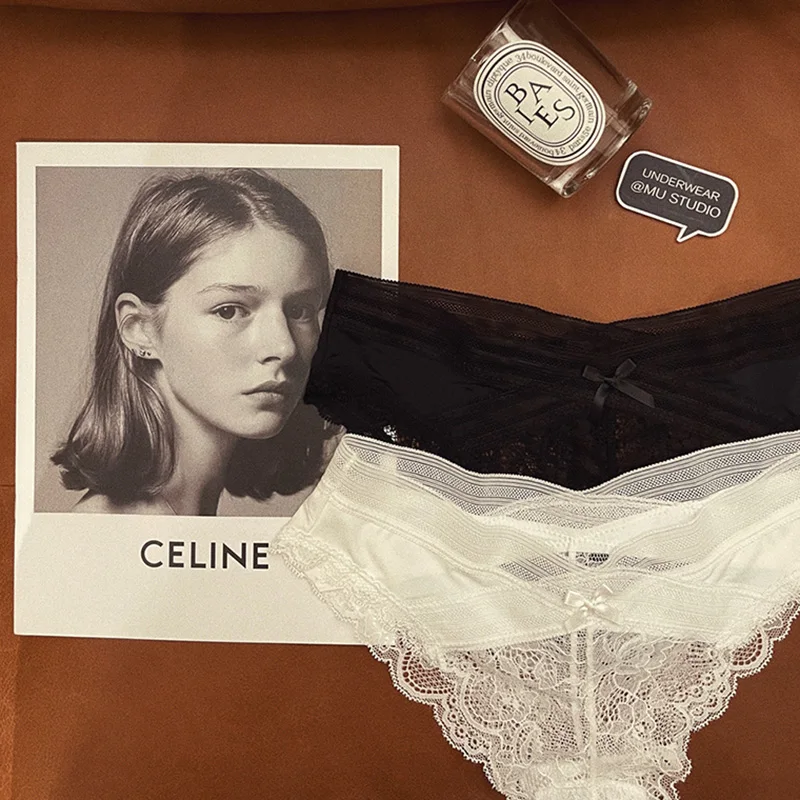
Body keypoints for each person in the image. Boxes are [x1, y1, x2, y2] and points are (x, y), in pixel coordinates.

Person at [52, 168, 335, 516]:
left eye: (300, 310)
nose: (285, 348)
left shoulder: (184, 517)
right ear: (139, 328)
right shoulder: (106, 532)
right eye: (229, 311)